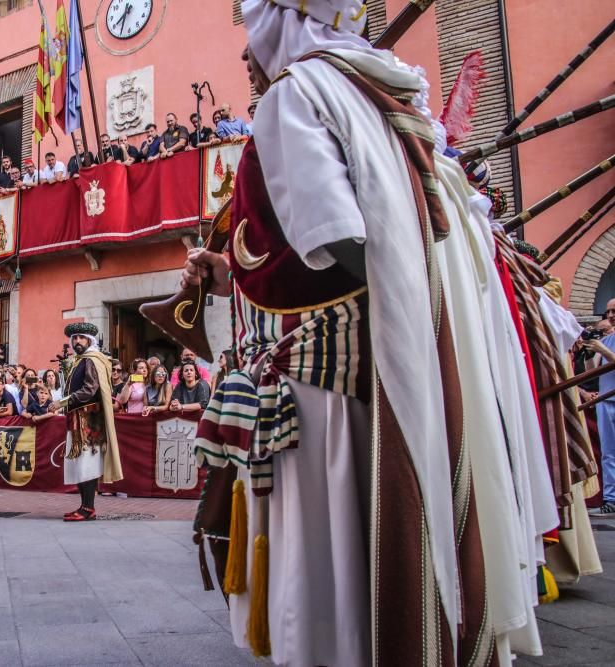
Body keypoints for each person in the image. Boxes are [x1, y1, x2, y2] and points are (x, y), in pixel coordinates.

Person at [183, 2, 496, 663]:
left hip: (329, 376)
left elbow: (342, 241)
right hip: (395, 353)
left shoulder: (296, 94)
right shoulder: (379, 90)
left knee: (330, 556)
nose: (245, 55)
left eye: (252, 34)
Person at [49, 322, 122, 521]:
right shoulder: (79, 361)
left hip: (89, 418)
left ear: (89, 340)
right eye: (74, 338)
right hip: (77, 417)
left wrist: (61, 402)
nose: (77, 341)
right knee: (79, 463)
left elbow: (89, 390)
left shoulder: (92, 360)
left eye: (81, 337)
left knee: (87, 463)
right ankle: (84, 506)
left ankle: (88, 508)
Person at [587, 297, 615, 516]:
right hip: (605, 400)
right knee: (608, 454)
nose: (611, 316)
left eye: (614, 311)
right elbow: (591, 369)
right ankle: (611, 500)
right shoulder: (607, 340)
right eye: (608, 312)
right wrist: (590, 351)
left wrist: (603, 350)